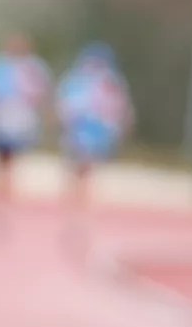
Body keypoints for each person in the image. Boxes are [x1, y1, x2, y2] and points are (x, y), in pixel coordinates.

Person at [55, 43, 134, 249]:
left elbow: (65, 105)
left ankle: (76, 211)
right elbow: (119, 109)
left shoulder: (84, 79)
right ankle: (79, 212)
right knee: (83, 172)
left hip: (85, 130)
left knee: (79, 172)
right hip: (90, 131)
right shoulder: (108, 81)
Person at [0, 33, 52, 241]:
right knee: (0, 162)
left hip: (19, 123)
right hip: (0, 121)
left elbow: (40, 95)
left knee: (9, 163)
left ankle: (2, 204)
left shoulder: (32, 69)